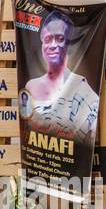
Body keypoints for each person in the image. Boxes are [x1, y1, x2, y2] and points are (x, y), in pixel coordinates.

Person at [21, 10, 99, 145]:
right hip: (36, 161)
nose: (52, 45)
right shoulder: (31, 87)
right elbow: (25, 133)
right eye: (47, 39)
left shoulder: (81, 89)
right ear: (42, 44)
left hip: (68, 162)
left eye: (60, 38)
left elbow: (88, 140)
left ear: (68, 44)